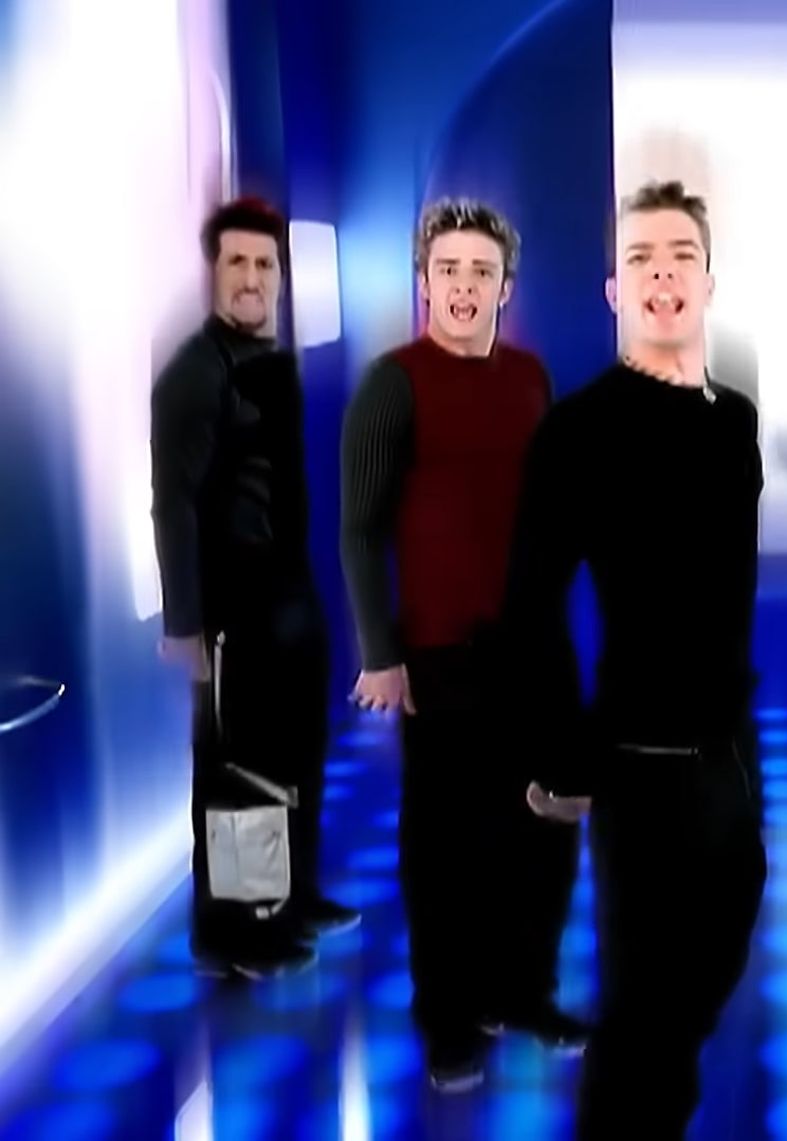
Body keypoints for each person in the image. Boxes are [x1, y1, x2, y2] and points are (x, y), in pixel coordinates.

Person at [504, 180, 766, 1139]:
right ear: (616, 289)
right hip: (638, 762)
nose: (662, 276)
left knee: (723, 942)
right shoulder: (578, 429)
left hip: (730, 747)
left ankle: (666, 1094)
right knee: (639, 999)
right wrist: (561, 756)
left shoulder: (735, 418)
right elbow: (531, 600)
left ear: (709, 281)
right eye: (641, 260)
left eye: (680, 256)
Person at [339, 198, 586, 1094]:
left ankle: (525, 993)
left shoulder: (529, 376)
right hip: (438, 651)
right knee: (446, 846)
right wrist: (380, 652)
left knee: (543, 830)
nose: (465, 286)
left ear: (505, 286)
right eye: (449, 270)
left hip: (533, 645)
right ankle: (450, 1018)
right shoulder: (392, 382)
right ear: (425, 280)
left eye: (482, 271)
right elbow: (360, 528)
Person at [151, 197, 359, 981]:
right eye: (236, 261)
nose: (251, 276)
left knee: (296, 754)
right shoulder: (193, 373)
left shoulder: (273, 362)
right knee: (239, 768)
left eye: (264, 263)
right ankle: (237, 932)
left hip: (288, 597)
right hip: (232, 608)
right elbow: (172, 501)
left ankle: (291, 898)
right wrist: (184, 623)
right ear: (214, 271)